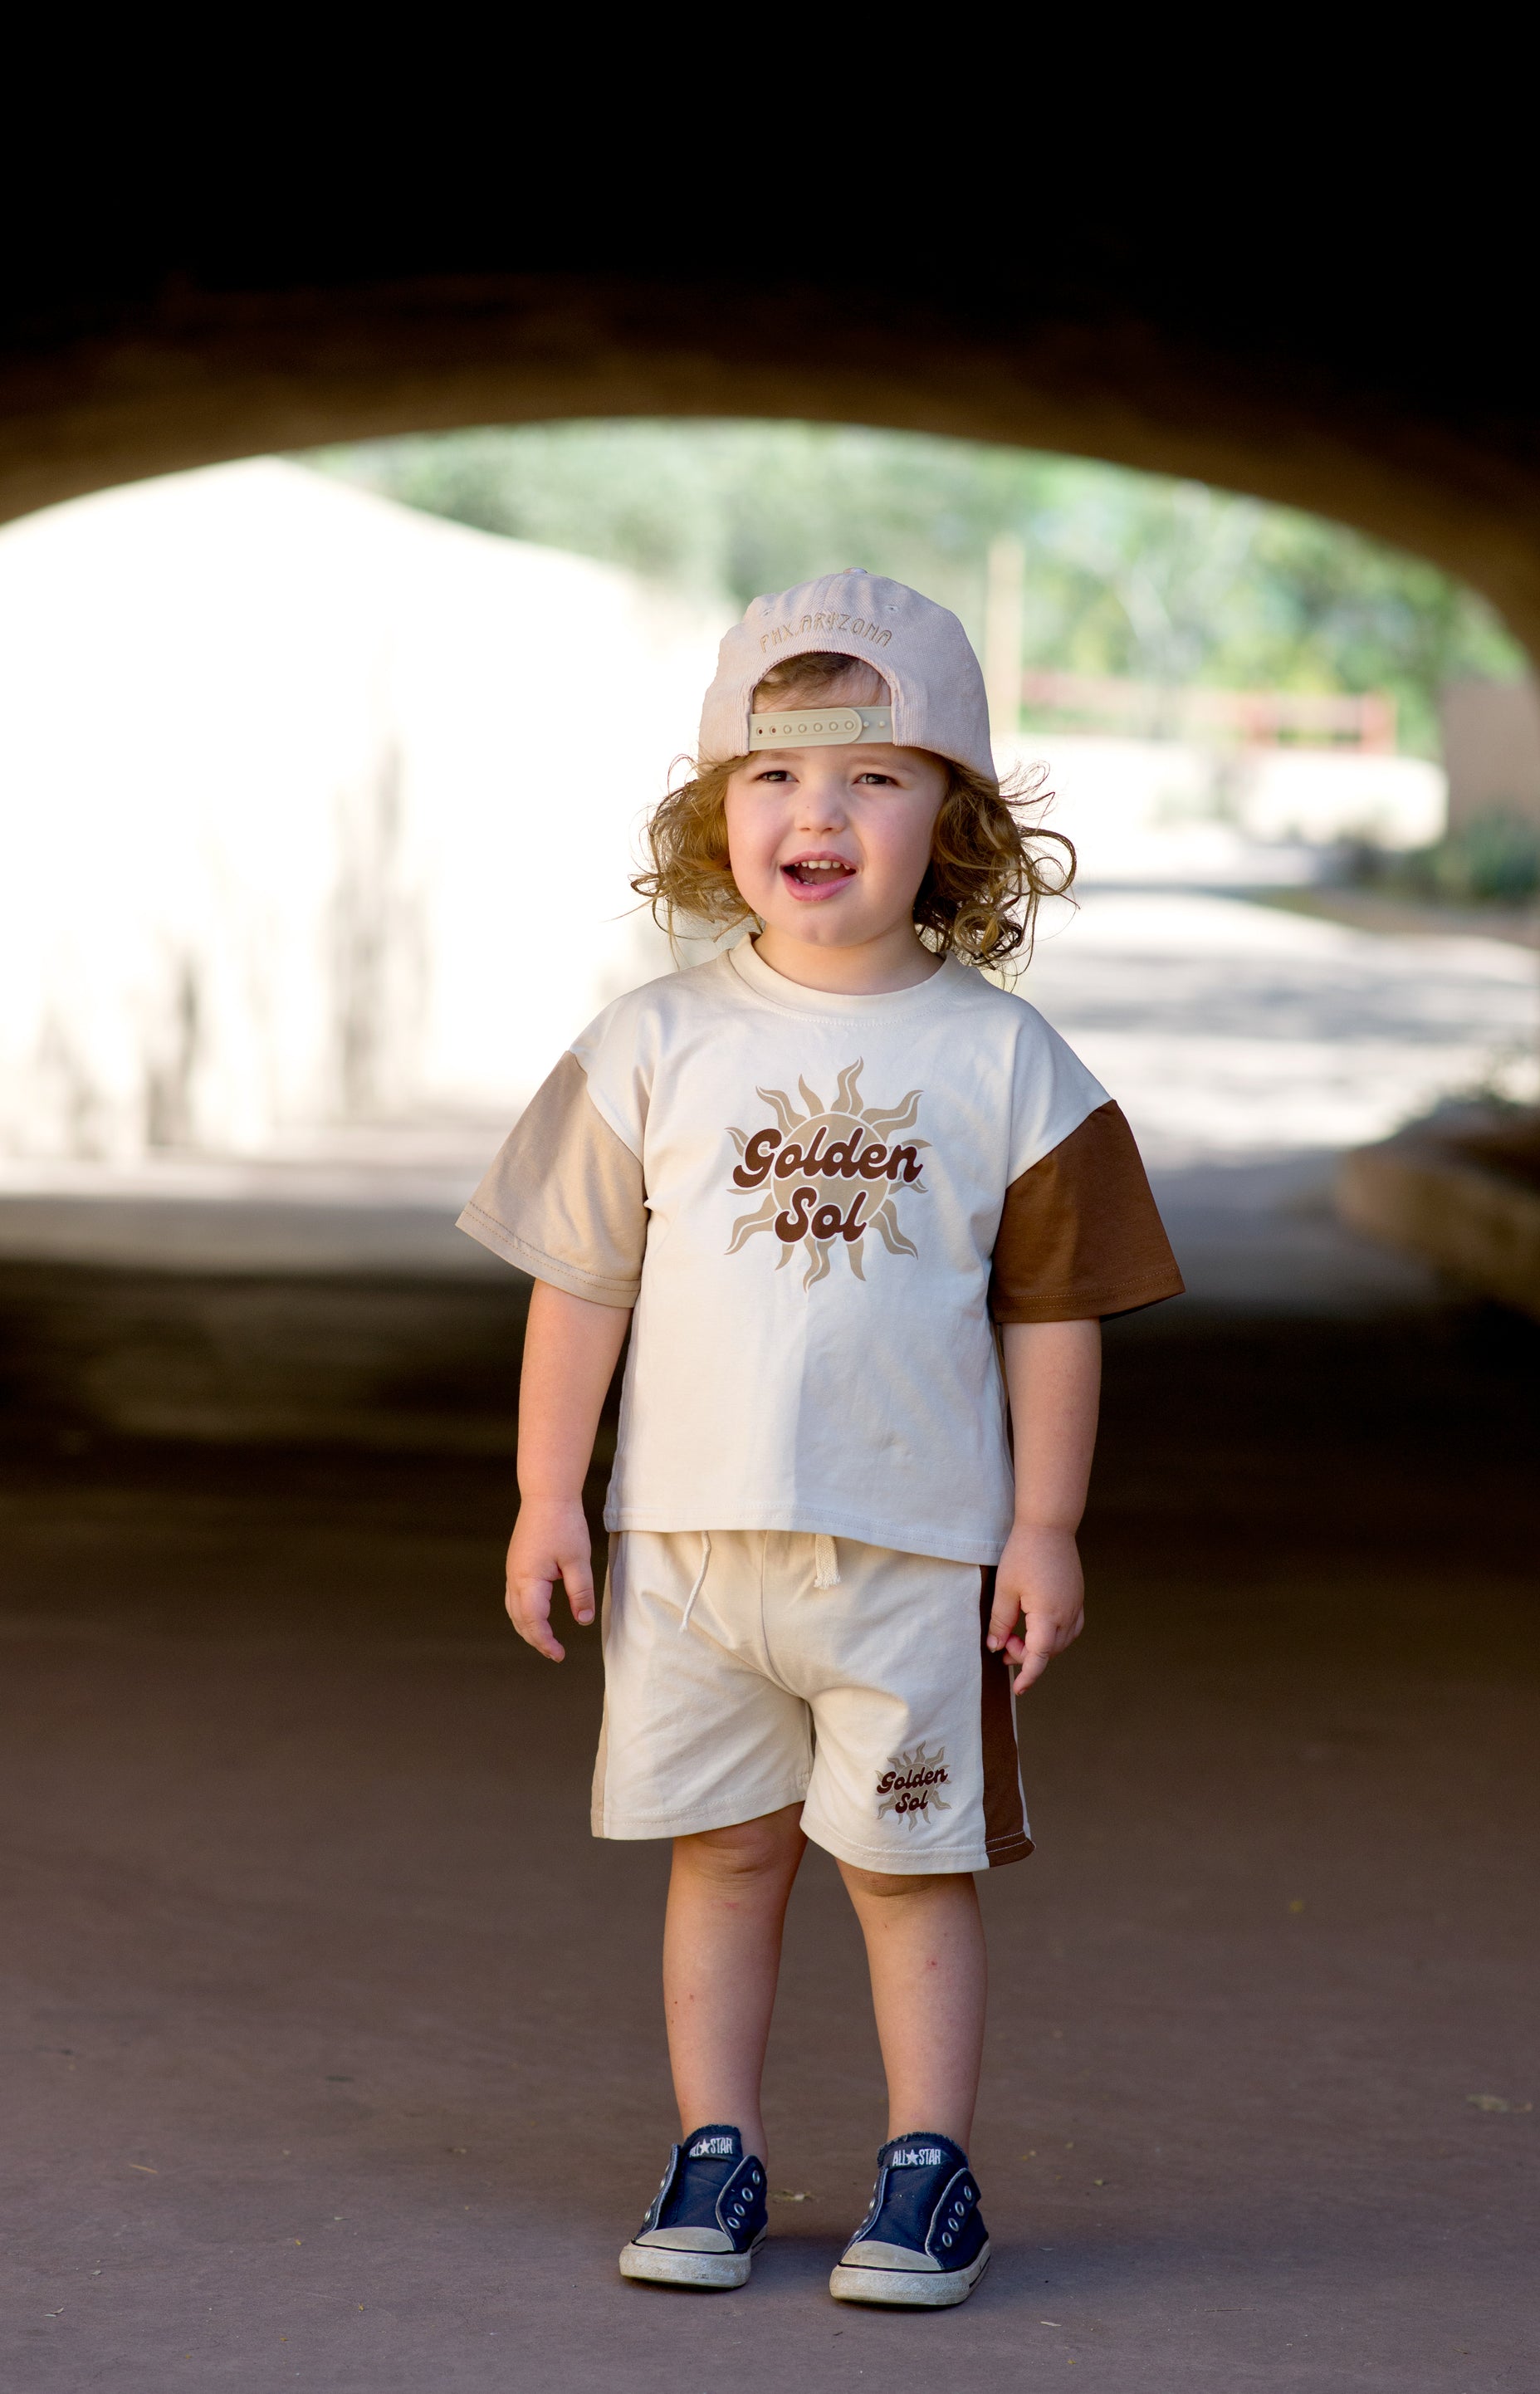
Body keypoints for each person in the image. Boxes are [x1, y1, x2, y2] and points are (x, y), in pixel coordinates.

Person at [457, 570, 1183, 2308]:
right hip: (687, 1548)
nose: (819, 812)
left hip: (914, 1554)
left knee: (907, 1870)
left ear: (955, 821)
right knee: (722, 1852)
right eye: (775, 775)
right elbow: (581, 1281)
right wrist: (548, 1491)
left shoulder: (1009, 1063)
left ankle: (927, 2169)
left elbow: (1052, 1315)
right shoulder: (650, 1042)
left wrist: (1045, 1525)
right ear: (719, 813)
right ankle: (713, 2149)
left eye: (874, 776)